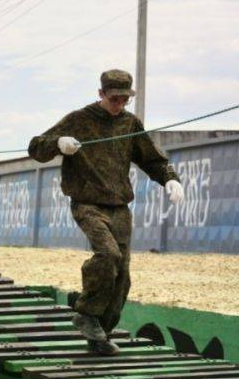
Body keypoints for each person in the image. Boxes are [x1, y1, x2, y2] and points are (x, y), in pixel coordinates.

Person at [28, 69, 183, 356]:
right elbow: (36, 147)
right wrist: (58, 143)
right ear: (101, 94)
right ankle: (85, 313)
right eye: (114, 99)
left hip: (119, 206)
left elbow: (152, 159)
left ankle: (99, 335)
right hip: (87, 203)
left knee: (121, 275)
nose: (119, 105)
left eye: (125, 99)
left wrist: (170, 178)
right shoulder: (79, 119)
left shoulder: (130, 123)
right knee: (108, 254)